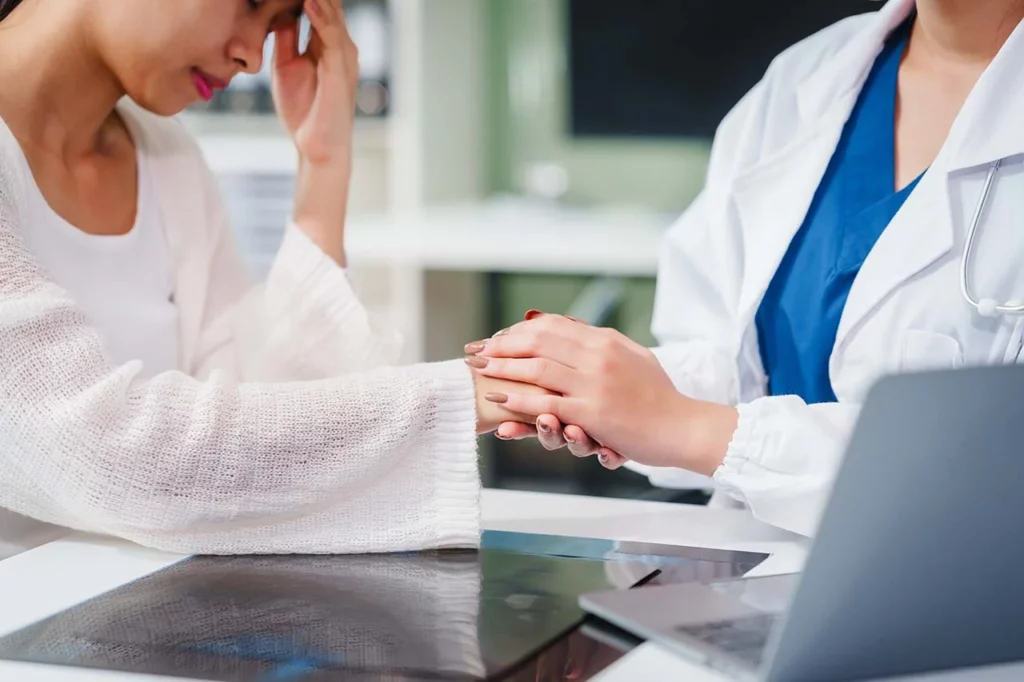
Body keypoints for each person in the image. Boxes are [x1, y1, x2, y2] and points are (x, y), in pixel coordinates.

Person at [0, 0, 542, 557]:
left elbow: (255, 419)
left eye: (280, 25)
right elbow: (98, 452)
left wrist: (323, 168)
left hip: (121, 609)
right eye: (251, 3)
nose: (252, 56)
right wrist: (468, 395)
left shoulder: (165, 155)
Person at [475, 0, 1024, 536]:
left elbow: (993, 468)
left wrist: (687, 428)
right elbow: (722, 355)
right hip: (743, 562)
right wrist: (592, 390)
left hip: (958, 596)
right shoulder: (804, 78)